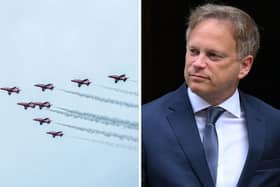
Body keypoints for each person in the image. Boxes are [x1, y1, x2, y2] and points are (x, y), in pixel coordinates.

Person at [142, 3, 280, 187]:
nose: (198, 63)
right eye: (193, 51)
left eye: (213, 55)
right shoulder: (145, 122)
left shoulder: (274, 124)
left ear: (245, 66)